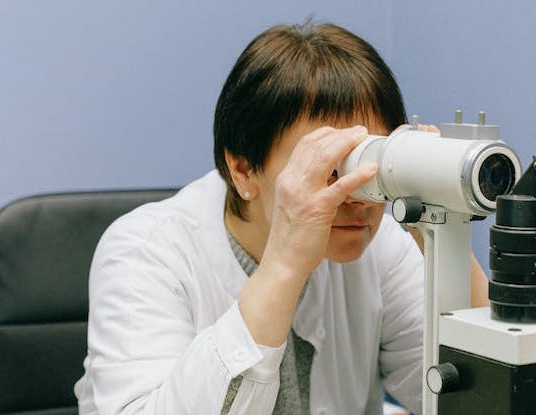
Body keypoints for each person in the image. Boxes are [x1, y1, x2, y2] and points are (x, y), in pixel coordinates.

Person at [75, 21, 487, 414]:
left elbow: (479, 396)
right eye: (327, 168)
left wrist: (439, 233)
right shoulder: (143, 253)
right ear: (242, 169)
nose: (357, 199)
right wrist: (285, 265)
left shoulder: (382, 248)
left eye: (370, 163)